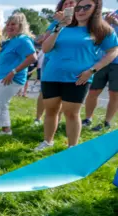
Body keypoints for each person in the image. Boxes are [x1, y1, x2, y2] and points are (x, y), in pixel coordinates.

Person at [36, 0, 118, 151]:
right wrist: (59, 26)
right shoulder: (61, 25)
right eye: (78, 7)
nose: (81, 10)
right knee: (51, 110)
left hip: (78, 78)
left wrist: (93, 70)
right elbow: (46, 48)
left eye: (87, 6)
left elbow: (113, 51)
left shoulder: (101, 29)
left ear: (96, 8)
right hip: (52, 75)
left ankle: (72, 148)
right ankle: (47, 141)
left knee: (71, 113)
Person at [0, 12, 37, 139]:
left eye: (13, 24)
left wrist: (13, 72)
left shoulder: (23, 40)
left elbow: (32, 57)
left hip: (12, 79)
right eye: (8, 24)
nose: (9, 26)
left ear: (21, 25)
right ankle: (6, 130)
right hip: (4, 77)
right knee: (3, 104)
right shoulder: (10, 42)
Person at [83, 11, 118, 131]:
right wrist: (105, 24)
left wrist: (116, 24)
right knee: (93, 92)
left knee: (115, 94)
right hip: (102, 61)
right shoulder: (110, 14)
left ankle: (106, 123)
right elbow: (95, 37)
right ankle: (87, 119)